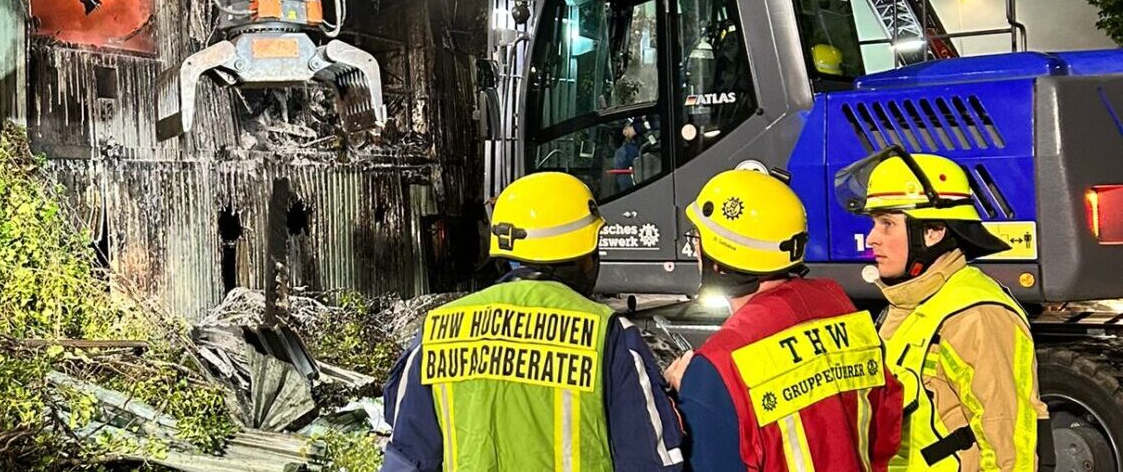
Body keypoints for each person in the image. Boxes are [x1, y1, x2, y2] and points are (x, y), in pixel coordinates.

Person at [380, 171, 684, 472]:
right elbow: (651, 462)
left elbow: (405, 460)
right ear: (582, 256)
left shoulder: (437, 331)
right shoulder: (608, 334)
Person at [663, 169, 903, 472]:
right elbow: (887, 426)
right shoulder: (840, 307)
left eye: (697, 238)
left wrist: (684, 400)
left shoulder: (717, 366)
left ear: (718, 259)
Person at [838, 148, 1052, 472]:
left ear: (933, 231)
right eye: (874, 223)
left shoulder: (976, 315)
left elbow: (1009, 445)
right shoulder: (907, 303)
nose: (871, 239)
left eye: (887, 224)